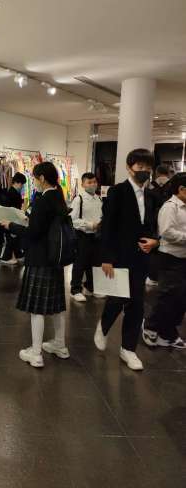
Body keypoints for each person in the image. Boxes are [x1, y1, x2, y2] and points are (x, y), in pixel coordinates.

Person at [94, 148, 159, 371]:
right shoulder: (117, 192)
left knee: (137, 304)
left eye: (148, 168)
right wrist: (106, 257)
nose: (144, 171)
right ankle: (103, 326)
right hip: (120, 256)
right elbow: (108, 226)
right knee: (117, 298)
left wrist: (155, 241)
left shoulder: (152, 196)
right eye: (140, 167)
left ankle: (128, 349)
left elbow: (154, 226)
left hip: (142, 257)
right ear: (129, 168)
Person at [2, 162, 70, 368]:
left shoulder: (42, 200)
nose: (33, 181)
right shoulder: (58, 197)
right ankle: (60, 345)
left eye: (34, 177)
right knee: (57, 306)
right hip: (56, 258)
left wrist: (12, 225)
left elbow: (33, 233)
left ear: (41, 178)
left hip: (40, 258)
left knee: (37, 309)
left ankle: (36, 352)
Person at [142, 173, 186, 349]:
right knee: (167, 295)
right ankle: (150, 326)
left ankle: (168, 331)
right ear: (181, 189)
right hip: (170, 258)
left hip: (183, 257)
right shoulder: (170, 207)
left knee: (181, 298)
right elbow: (167, 232)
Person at [70, 172, 104, 302]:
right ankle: (75, 289)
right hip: (83, 235)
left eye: (94, 182)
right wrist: (90, 225)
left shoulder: (99, 199)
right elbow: (73, 220)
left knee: (95, 262)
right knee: (80, 262)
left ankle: (90, 287)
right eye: (89, 182)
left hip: (96, 236)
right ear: (83, 184)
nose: (93, 184)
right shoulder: (79, 199)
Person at [1, 172, 27, 265]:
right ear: (16, 182)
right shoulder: (13, 193)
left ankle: (18, 255)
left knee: (15, 238)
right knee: (12, 238)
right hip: (12, 219)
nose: (22, 186)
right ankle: (6, 257)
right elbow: (13, 209)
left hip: (11, 218)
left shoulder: (12, 192)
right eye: (21, 184)